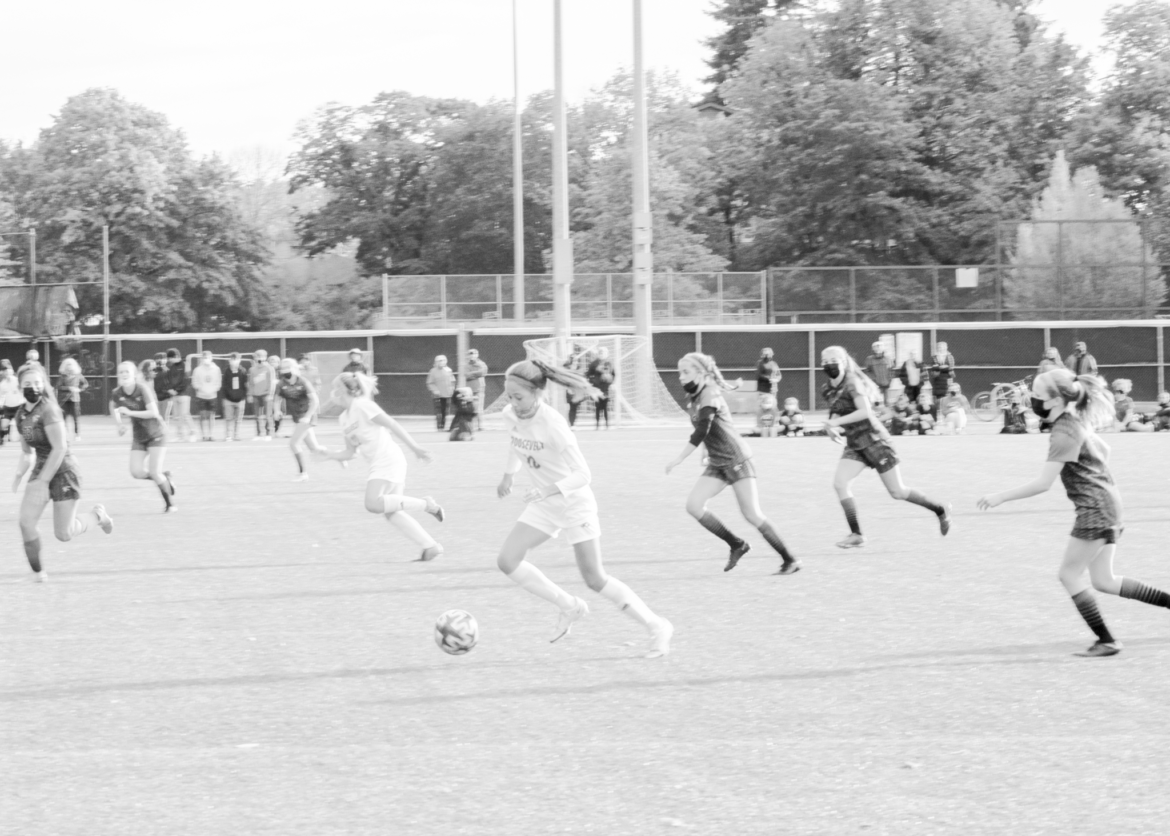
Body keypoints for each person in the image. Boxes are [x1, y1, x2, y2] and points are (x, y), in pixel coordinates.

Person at [978, 369, 1170, 657]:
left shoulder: (1062, 431)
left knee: (1069, 575)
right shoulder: (1073, 421)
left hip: (1095, 509)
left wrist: (1000, 497)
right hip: (1110, 502)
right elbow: (1104, 451)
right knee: (1104, 580)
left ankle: (1107, 640)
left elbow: (1043, 484)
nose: (1032, 400)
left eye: (1037, 396)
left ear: (1055, 401)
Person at [496, 359, 673, 657]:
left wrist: (547, 489)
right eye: (509, 396)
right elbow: (516, 443)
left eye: (519, 397)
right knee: (507, 560)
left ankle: (657, 626)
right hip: (544, 504)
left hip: (573, 503)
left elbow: (583, 475)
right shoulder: (509, 415)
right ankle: (569, 606)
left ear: (538, 393)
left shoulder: (553, 424)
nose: (513, 404)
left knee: (594, 578)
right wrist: (508, 475)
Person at [665, 352, 800, 575]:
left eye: (686, 372)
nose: (681, 377)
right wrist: (706, 453)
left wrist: (679, 458)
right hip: (718, 461)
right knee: (694, 506)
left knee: (752, 514)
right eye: (680, 372)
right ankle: (737, 544)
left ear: (701, 373)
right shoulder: (695, 396)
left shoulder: (710, 394)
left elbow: (703, 429)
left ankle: (790, 559)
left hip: (736, 459)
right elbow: (709, 429)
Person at [821, 345, 951, 549]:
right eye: (824, 361)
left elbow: (865, 412)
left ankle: (940, 509)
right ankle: (856, 534)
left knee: (897, 492)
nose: (828, 364)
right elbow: (837, 410)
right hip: (855, 444)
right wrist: (832, 426)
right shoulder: (828, 387)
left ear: (843, 362)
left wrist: (835, 423)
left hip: (874, 440)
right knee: (840, 483)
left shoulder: (853, 382)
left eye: (832, 360)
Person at [316, 372, 445, 561]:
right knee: (392, 513)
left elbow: (391, 424)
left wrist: (415, 447)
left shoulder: (363, 405)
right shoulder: (344, 418)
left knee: (373, 504)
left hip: (388, 459)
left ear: (346, 390)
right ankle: (431, 546)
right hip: (381, 463)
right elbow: (351, 452)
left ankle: (427, 505)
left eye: (336, 388)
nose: (333, 392)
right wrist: (329, 455)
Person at [13, 365, 113, 581]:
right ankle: (39, 573)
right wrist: (20, 473)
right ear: (20, 386)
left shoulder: (49, 410)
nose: (33, 387)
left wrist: (42, 481)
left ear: (43, 384)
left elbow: (59, 449)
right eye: (28, 384)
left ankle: (97, 516)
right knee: (26, 522)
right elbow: (27, 452)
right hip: (42, 467)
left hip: (64, 470)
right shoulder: (21, 415)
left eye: (37, 383)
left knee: (64, 534)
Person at [112, 360, 176, 513]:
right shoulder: (117, 393)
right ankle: (165, 477)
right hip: (139, 436)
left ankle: (170, 504)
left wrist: (130, 413)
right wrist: (119, 424)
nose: (124, 374)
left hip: (156, 434)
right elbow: (114, 407)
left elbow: (153, 412)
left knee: (154, 472)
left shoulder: (142, 389)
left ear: (134, 374)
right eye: (121, 372)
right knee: (136, 472)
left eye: (127, 371)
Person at [274, 357, 326, 481]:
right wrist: (276, 410)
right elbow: (277, 399)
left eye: (287, 368)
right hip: (298, 418)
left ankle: (303, 474)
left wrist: (307, 416)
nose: (285, 371)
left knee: (293, 444)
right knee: (315, 449)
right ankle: (339, 457)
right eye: (283, 368)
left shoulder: (303, 382)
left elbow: (315, 401)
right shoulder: (281, 384)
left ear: (294, 369)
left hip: (307, 417)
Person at [163, 349, 196, 440]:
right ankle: (180, 435)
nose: (169, 360)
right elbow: (169, 380)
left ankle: (192, 433)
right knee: (177, 416)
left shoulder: (186, 364)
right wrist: (170, 389)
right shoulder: (172, 367)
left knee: (185, 414)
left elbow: (186, 380)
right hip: (175, 395)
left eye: (170, 358)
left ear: (175, 357)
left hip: (184, 394)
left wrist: (176, 390)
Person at [191, 351, 222, 441]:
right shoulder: (197, 370)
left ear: (211, 358)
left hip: (212, 396)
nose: (206, 359)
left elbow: (218, 383)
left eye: (207, 357)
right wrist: (201, 388)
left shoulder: (216, 369)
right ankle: (204, 435)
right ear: (201, 358)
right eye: (204, 357)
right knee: (202, 416)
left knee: (211, 416)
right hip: (201, 396)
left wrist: (213, 389)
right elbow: (194, 382)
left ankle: (211, 435)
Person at [56, 357, 87, 441]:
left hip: (75, 400)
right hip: (64, 400)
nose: (69, 366)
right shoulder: (62, 376)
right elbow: (59, 386)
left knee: (76, 418)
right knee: (63, 418)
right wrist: (68, 388)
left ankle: (77, 434)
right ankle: (64, 434)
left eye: (70, 364)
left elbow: (85, 384)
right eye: (67, 365)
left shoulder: (78, 375)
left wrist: (79, 389)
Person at [248, 348, 276, 441]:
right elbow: (251, 383)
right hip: (256, 395)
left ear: (265, 357)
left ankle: (269, 434)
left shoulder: (269, 368)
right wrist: (250, 394)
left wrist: (270, 394)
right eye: (257, 356)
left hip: (266, 395)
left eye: (262, 356)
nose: (259, 358)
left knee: (268, 415)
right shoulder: (252, 369)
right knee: (257, 416)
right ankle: (259, 434)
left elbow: (272, 383)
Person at [221, 353, 248, 441]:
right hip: (228, 399)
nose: (234, 361)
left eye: (236, 359)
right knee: (229, 419)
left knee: (238, 419)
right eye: (232, 359)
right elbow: (224, 385)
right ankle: (228, 435)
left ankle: (236, 435)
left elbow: (245, 385)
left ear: (240, 360)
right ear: (229, 360)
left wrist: (243, 395)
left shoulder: (243, 371)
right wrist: (226, 396)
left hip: (240, 400)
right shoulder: (226, 371)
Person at [586, 347, 614, 430]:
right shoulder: (594, 364)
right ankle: (597, 425)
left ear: (606, 353)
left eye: (603, 352)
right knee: (597, 407)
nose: (601, 354)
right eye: (600, 352)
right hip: (597, 388)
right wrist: (593, 382)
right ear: (598, 353)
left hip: (606, 388)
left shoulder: (609, 363)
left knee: (605, 407)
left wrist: (611, 382)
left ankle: (607, 425)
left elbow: (613, 374)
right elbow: (588, 374)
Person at [426, 354, 455, 431]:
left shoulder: (449, 370)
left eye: (443, 360)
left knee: (445, 411)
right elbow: (430, 383)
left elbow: (452, 381)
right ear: (436, 362)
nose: (441, 362)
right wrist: (435, 390)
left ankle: (443, 425)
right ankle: (439, 426)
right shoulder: (433, 371)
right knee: (438, 411)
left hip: (447, 395)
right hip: (437, 396)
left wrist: (452, 389)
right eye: (439, 361)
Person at [928, 342, 956, 418]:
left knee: (947, 397)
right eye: (939, 347)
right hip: (937, 381)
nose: (941, 348)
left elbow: (951, 368)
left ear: (946, 347)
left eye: (943, 347)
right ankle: (937, 416)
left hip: (946, 380)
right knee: (937, 399)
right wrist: (943, 368)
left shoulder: (950, 357)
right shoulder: (934, 357)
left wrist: (941, 368)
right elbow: (934, 368)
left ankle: (947, 415)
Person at [465, 348, 488, 430]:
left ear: (477, 355)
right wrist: (477, 373)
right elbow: (467, 375)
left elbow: (483, 372)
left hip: (479, 389)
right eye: (470, 354)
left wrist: (473, 374)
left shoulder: (481, 364)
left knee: (479, 408)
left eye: (474, 354)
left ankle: (480, 426)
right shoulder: (466, 365)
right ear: (468, 356)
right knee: (470, 408)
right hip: (469, 390)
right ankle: (471, 426)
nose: (472, 356)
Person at [0, 360, 22, 444]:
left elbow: (22, 391)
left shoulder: (17, 381)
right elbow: (1, 396)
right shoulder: (2, 384)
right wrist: (1, 403)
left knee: (21, 425)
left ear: (11, 371)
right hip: (8, 408)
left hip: (18, 407)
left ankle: (27, 441)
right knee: (3, 425)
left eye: (7, 370)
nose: (6, 372)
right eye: (4, 371)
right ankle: (1, 439)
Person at [267, 355, 285, 436]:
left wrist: (277, 381)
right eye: (270, 361)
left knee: (278, 412)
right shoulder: (266, 371)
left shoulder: (282, 372)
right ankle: (268, 430)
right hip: (268, 394)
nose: (272, 363)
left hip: (278, 395)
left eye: (274, 361)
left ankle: (276, 429)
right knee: (268, 413)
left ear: (278, 363)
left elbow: (284, 382)